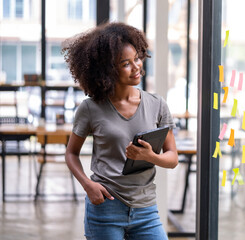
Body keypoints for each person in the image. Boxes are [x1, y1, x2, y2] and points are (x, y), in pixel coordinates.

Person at [63, 22, 178, 240]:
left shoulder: (157, 104)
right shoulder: (90, 108)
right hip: (105, 207)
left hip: (146, 209)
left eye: (137, 58)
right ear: (108, 70)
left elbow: (172, 159)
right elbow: (71, 153)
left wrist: (150, 156)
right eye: (126, 63)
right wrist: (88, 185)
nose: (136, 67)